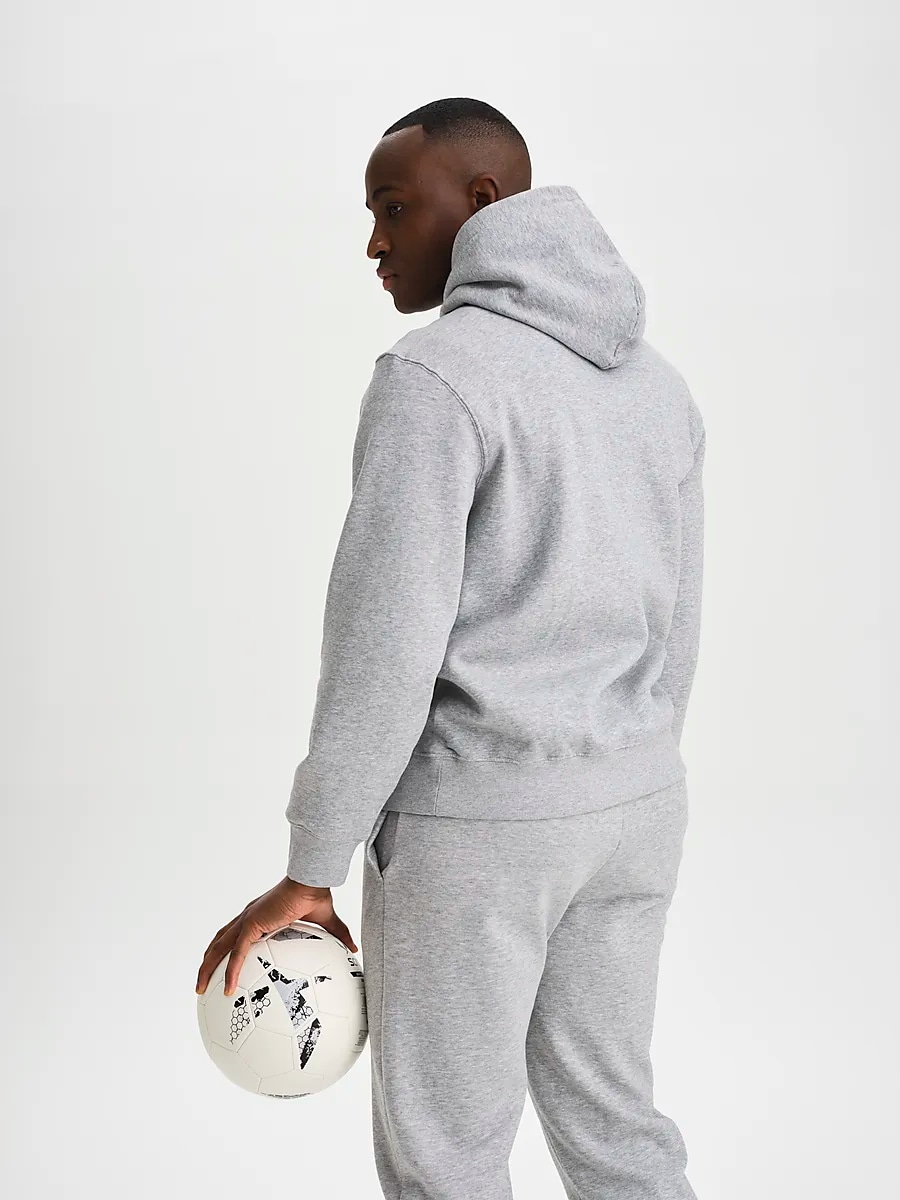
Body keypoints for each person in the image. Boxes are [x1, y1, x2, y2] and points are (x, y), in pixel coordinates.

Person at [197, 96, 704, 1200]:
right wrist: (630, 760)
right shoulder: (656, 385)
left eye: (394, 207)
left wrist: (312, 865)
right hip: (635, 810)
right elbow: (679, 625)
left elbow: (384, 643)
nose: (374, 243)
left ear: (481, 202)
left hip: (481, 830)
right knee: (615, 1123)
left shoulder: (436, 379)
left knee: (447, 1155)